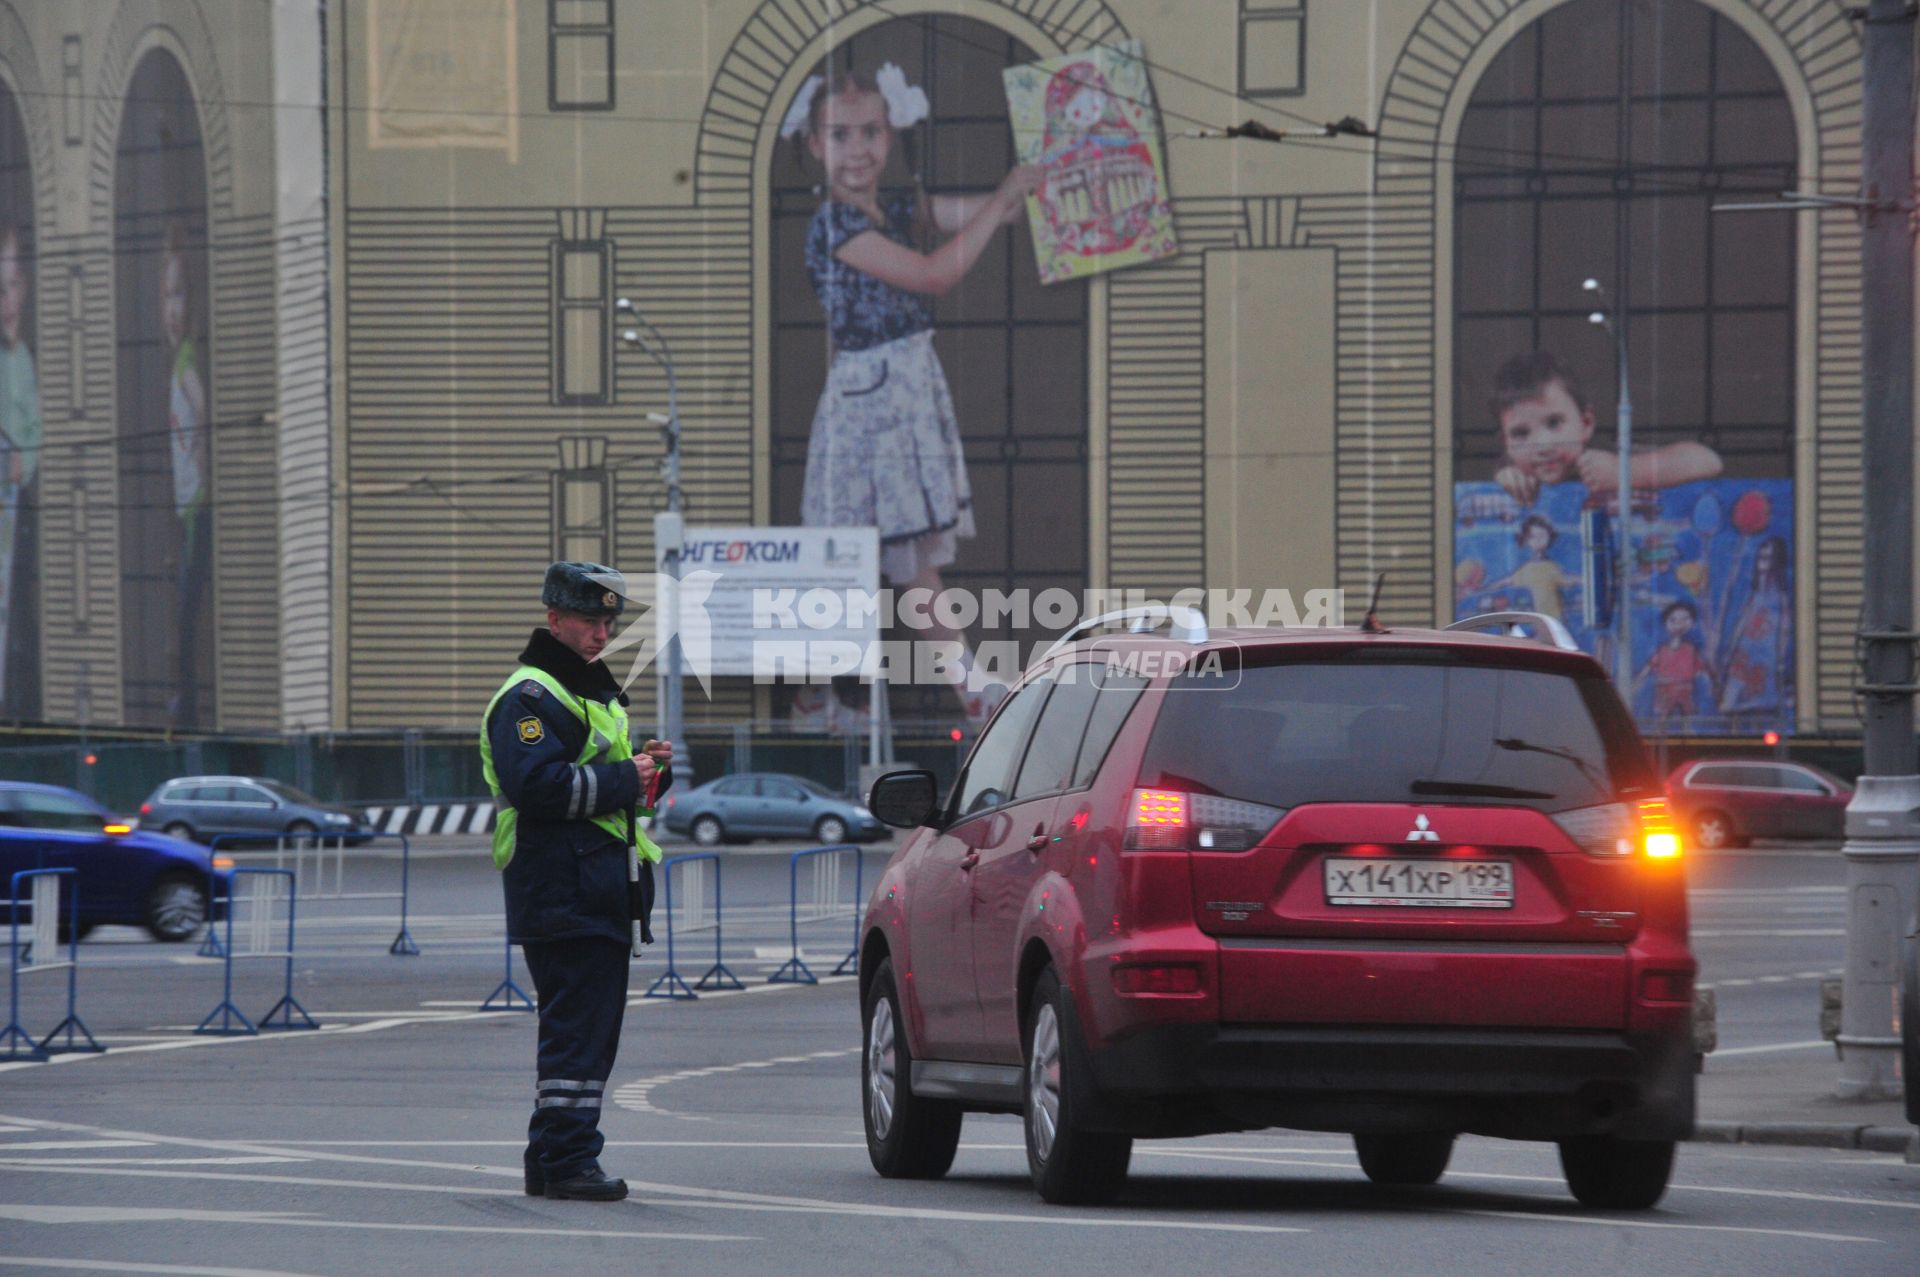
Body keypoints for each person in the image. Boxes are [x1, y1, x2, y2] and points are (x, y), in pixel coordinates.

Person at [782, 60, 1043, 724]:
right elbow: (933, 274)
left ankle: (960, 688)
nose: (858, 149)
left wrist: (1033, 185)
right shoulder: (833, 226)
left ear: (890, 133)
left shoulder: (897, 207)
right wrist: (1003, 197)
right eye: (841, 135)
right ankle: (835, 692)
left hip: (903, 389)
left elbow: (987, 216)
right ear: (815, 145)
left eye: (870, 130)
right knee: (870, 556)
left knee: (904, 557)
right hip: (870, 404)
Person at [480, 562, 673, 1202]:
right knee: (577, 1036)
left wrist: (648, 775)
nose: (601, 633)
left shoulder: (587, 692)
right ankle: (565, 1160)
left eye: (609, 622)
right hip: (563, 889)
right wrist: (627, 778)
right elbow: (537, 789)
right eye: (590, 621)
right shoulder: (531, 696)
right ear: (555, 619)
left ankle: (554, 1157)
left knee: (585, 1035)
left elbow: (612, 801)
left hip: (590, 889)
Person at [1490, 351, 1722, 506]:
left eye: (1554, 423)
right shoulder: (1511, 471)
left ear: (1586, 424)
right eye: (1520, 433)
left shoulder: (1608, 457)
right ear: (1505, 443)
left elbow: (1708, 461)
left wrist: (1625, 472)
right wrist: (1507, 479)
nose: (1542, 445)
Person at [160, 222, 210, 727]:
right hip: (185, 510)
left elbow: (203, 407)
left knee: (186, 612)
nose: (171, 308)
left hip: (198, 510)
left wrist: (201, 459)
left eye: (180, 294)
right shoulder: (176, 360)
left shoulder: (188, 362)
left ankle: (185, 702)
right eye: (164, 295)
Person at [0, 224, 40, 719]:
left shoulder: (23, 360)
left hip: (14, 509)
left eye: (12, 287)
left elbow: (33, 431)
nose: (7, 301)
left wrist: (22, 461)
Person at [1718, 534, 1792, 723]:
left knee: (1763, 700)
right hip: (1744, 653)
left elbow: (1784, 628)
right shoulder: (1754, 595)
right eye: (1760, 556)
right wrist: (1730, 651)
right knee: (1730, 699)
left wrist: (1781, 657)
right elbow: (1741, 625)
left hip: (1766, 658)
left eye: (1767, 558)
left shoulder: (1780, 596)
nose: (1762, 562)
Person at [1637, 599, 1713, 723]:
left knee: (1686, 718)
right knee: (1663, 720)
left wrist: (1709, 684)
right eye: (1673, 620)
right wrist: (1638, 682)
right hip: (1664, 690)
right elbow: (1649, 666)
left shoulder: (1691, 650)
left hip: (1685, 690)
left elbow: (1702, 669)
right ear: (1666, 623)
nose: (1679, 624)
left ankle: (1688, 738)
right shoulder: (1662, 651)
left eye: (1685, 619)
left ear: (1692, 622)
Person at [1490, 513, 1576, 621]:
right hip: (1539, 621)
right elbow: (1507, 581)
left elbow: (1564, 580)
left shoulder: (1551, 567)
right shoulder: (1526, 569)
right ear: (1526, 539)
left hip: (1554, 619)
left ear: (1550, 537)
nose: (1538, 540)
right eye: (1533, 536)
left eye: (1542, 536)